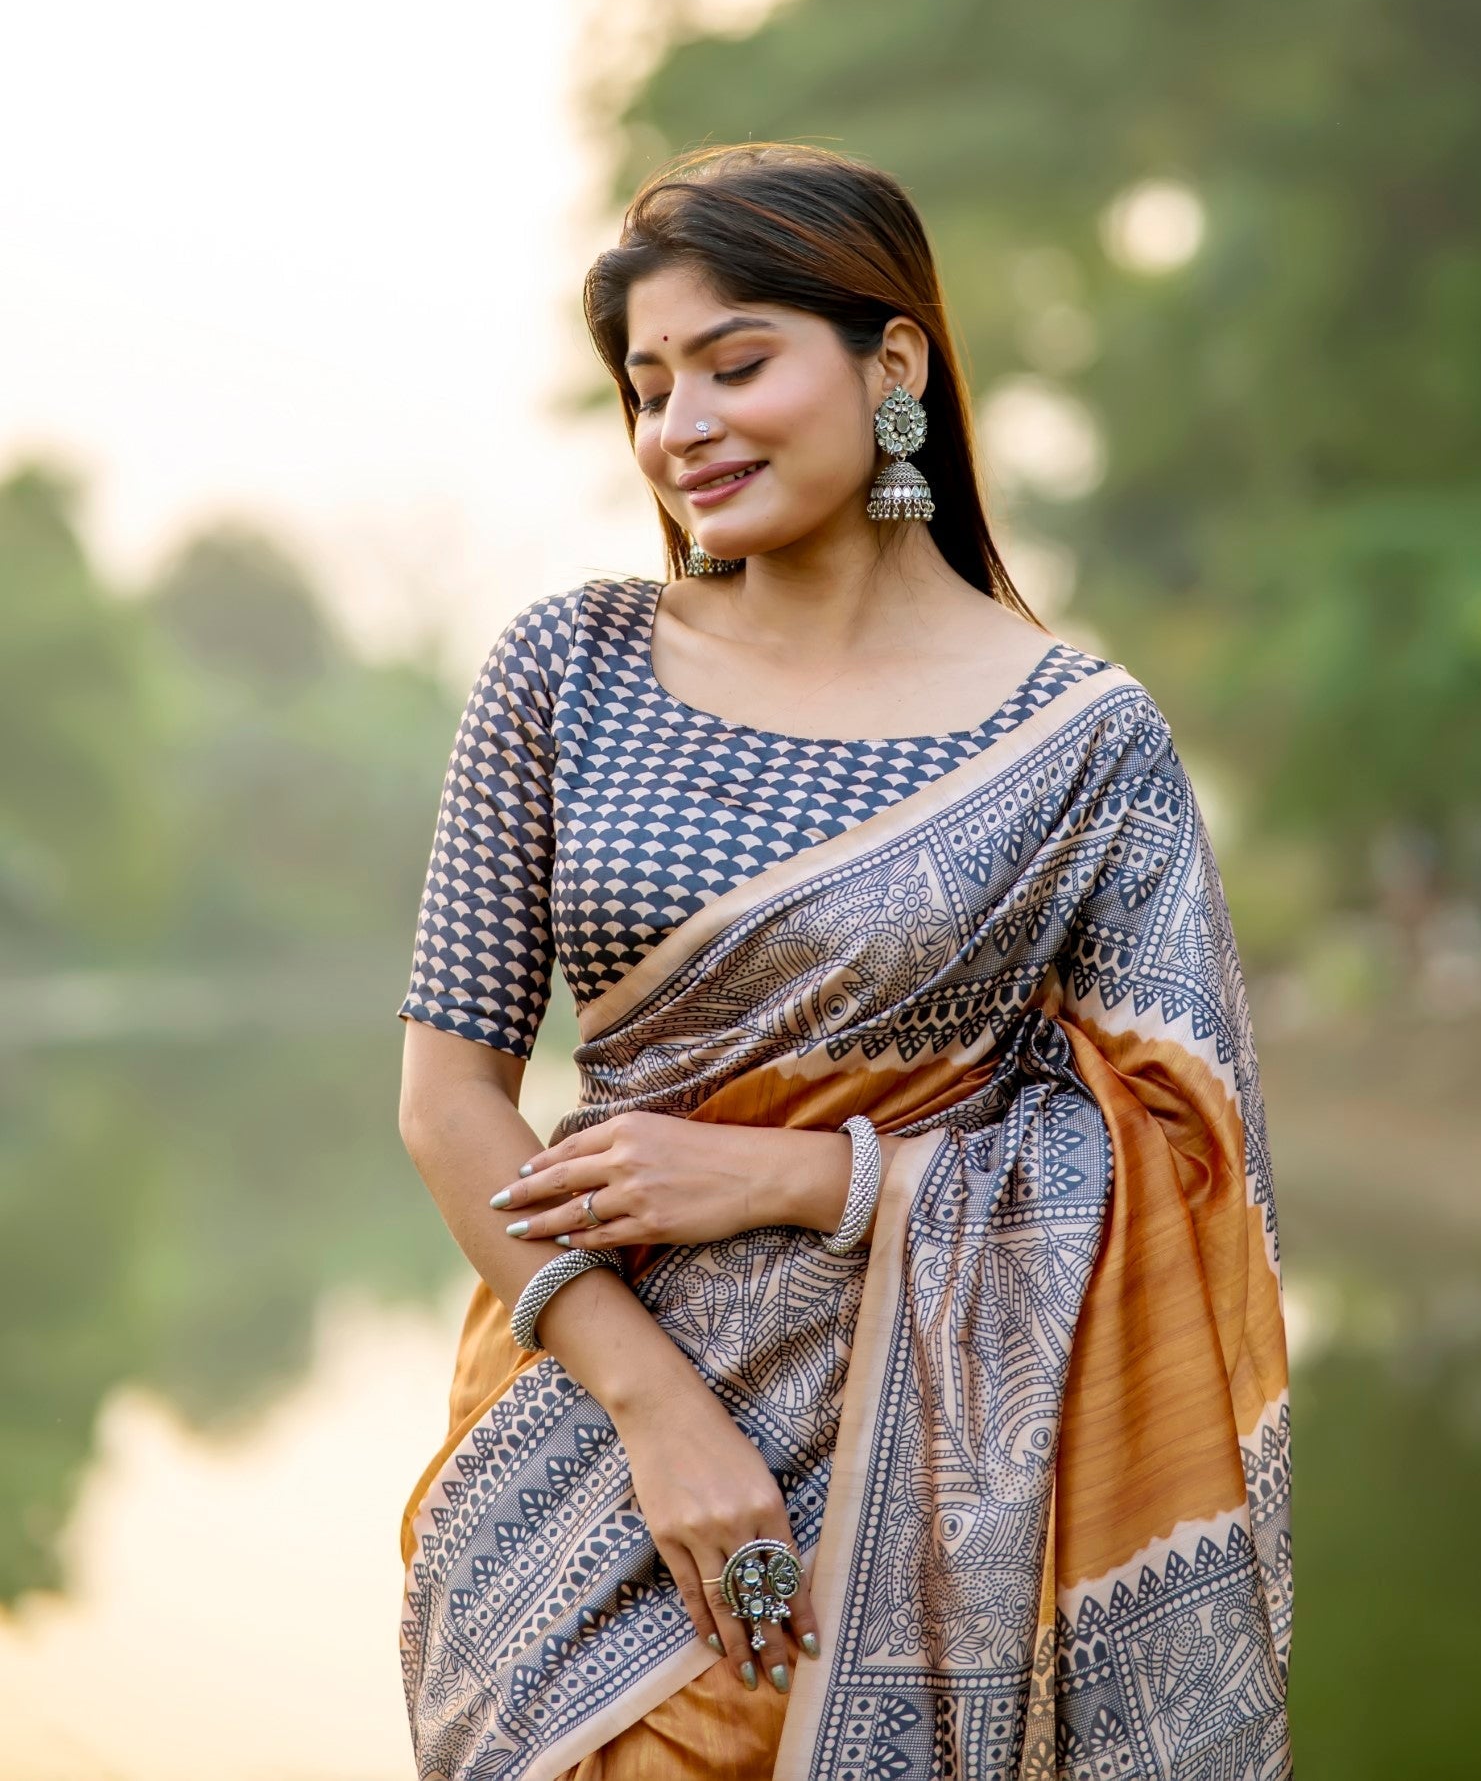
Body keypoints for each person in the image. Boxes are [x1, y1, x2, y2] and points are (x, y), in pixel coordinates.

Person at [395, 143, 1293, 1781]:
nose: (683, 427)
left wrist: (801, 1179)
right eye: (651, 386)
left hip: (950, 1516)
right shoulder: (562, 671)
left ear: (894, 365)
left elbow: (1186, 1155)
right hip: (587, 1477)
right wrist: (658, 1414)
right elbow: (451, 1098)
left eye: (737, 365)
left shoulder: (1082, 745)